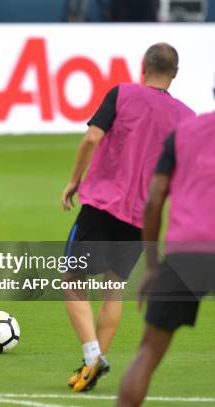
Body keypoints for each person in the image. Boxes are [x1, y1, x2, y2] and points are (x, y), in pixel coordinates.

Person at [60, 42, 194, 392]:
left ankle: (92, 356)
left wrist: (74, 180)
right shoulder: (186, 117)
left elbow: (91, 138)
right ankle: (92, 365)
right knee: (113, 288)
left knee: (71, 281)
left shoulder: (122, 94)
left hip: (102, 204)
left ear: (142, 66)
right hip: (140, 216)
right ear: (175, 74)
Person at [116, 102, 215, 406]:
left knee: (148, 351)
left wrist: (151, 266)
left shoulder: (184, 132)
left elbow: (154, 199)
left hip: (185, 251)